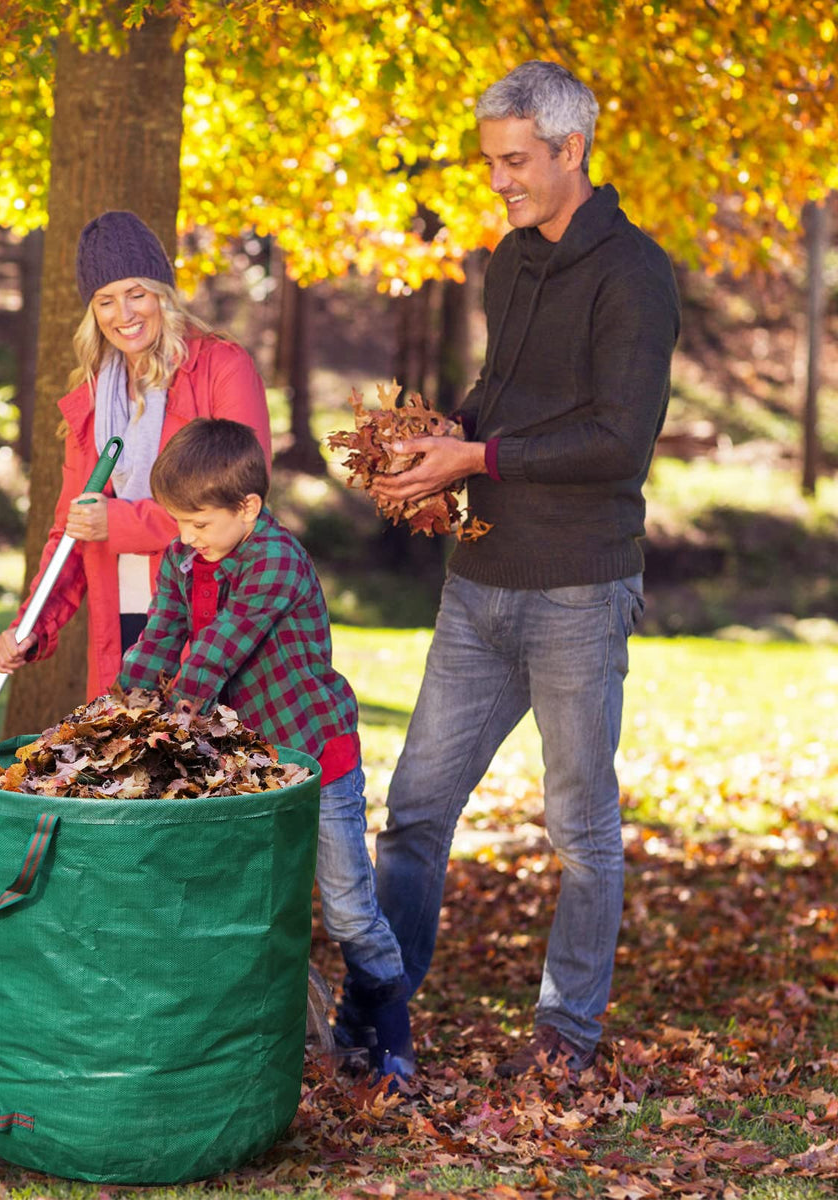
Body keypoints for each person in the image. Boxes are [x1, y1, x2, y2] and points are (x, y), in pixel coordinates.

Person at [364, 60, 681, 1078]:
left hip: (580, 590)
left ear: (570, 150)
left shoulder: (634, 275)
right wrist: (437, 444)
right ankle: (381, 1021)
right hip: (480, 583)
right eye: (490, 160)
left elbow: (617, 440)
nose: (498, 180)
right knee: (415, 809)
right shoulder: (510, 262)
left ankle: (567, 1035)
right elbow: (503, 395)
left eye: (514, 161)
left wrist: (478, 457)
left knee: (580, 827)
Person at [114, 417, 416, 1086]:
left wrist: (180, 713)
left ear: (247, 508)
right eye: (178, 524)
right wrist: (123, 709)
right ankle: (275, 1035)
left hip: (317, 756)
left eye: (199, 524)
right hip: (250, 767)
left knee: (347, 911)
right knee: (256, 901)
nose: (186, 538)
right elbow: (162, 636)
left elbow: (224, 643)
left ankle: (390, 1034)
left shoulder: (274, 558)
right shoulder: (184, 558)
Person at [0, 210, 272, 698]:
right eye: (105, 301)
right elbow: (72, 526)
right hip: (124, 614)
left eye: (136, 294)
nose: (123, 315)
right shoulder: (96, 397)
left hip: (212, 614)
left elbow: (241, 500)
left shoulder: (221, 368)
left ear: (161, 292)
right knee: (129, 763)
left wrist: (118, 523)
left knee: (203, 765)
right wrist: (32, 625)